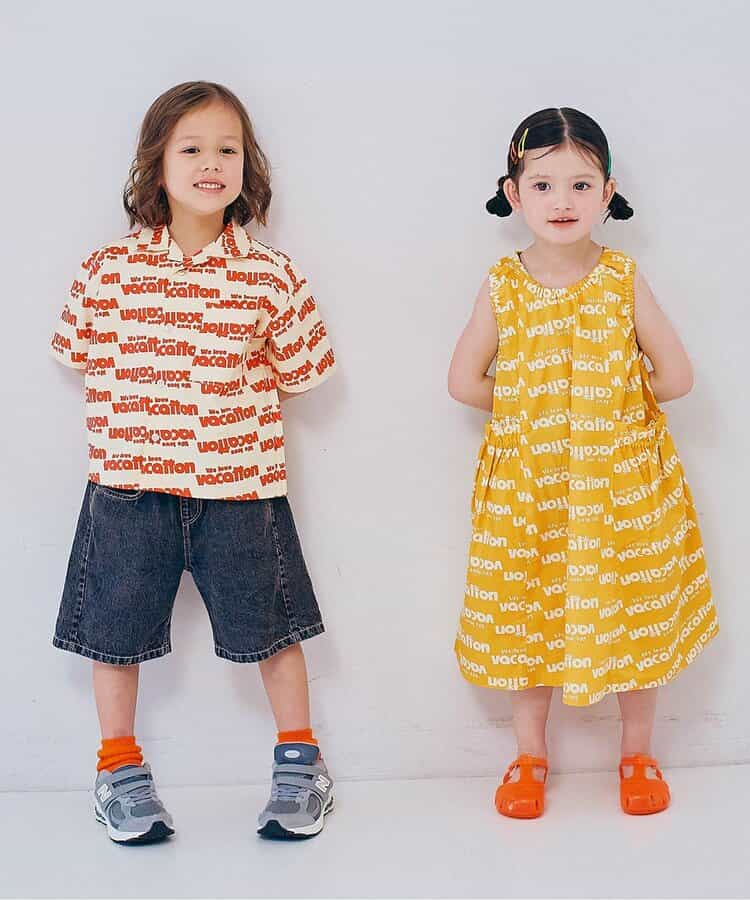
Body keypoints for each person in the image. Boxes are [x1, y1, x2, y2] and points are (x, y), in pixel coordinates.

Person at [50, 81, 337, 842]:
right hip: (127, 488)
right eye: (192, 148)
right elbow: (76, 353)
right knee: (114, 635)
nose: (212, 163)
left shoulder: (273, 275)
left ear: (248, 164)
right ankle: (118, 769)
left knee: (273, 630)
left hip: (241, 488)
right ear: (156, 162)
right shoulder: (106, 270)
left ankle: (302, 764)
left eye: (227, 149)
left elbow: (305, 373)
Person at [448, 107, 718, 818]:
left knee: (632, 614)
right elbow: (465, 381)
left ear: (607, 193)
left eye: (580, 184)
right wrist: (537, 405)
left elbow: (677, 375)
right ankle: (529, 756)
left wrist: (607, 404)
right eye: (542, 185)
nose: (561, 201)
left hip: (618, 488)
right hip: (530, 490)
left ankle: (638, 753)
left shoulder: (622, 277)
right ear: (514, 193)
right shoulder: (503, 284)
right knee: (525, 617)